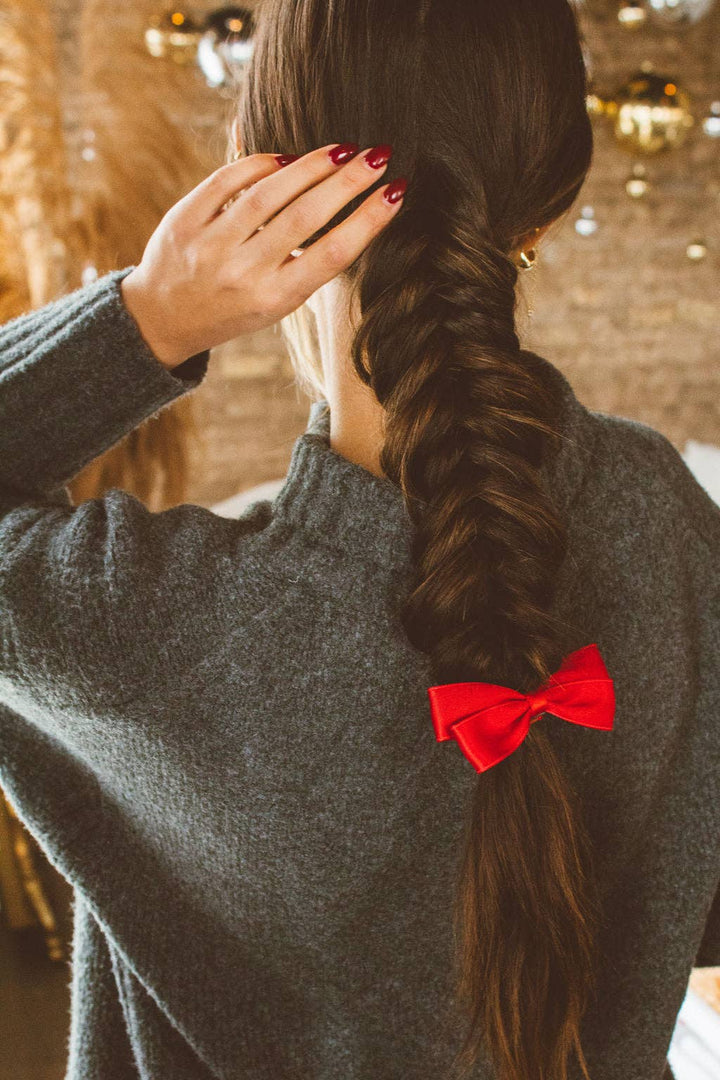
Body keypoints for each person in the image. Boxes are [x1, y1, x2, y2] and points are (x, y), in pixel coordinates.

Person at [0, 2, 717, 1079]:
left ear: (255, 179)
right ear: (550, 198)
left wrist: (149, 316)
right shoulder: (664, 519)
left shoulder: (150, 629)